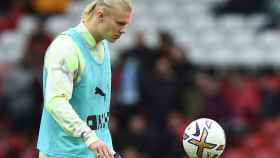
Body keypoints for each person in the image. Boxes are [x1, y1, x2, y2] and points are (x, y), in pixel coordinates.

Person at [36, 0, 133, 158]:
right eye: (120, 23)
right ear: (100, 15)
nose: (123, 30)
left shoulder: (103, 45)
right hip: (63, 153)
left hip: (98, 151)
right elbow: (55, 101)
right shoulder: (65, 48)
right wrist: (89, 136)